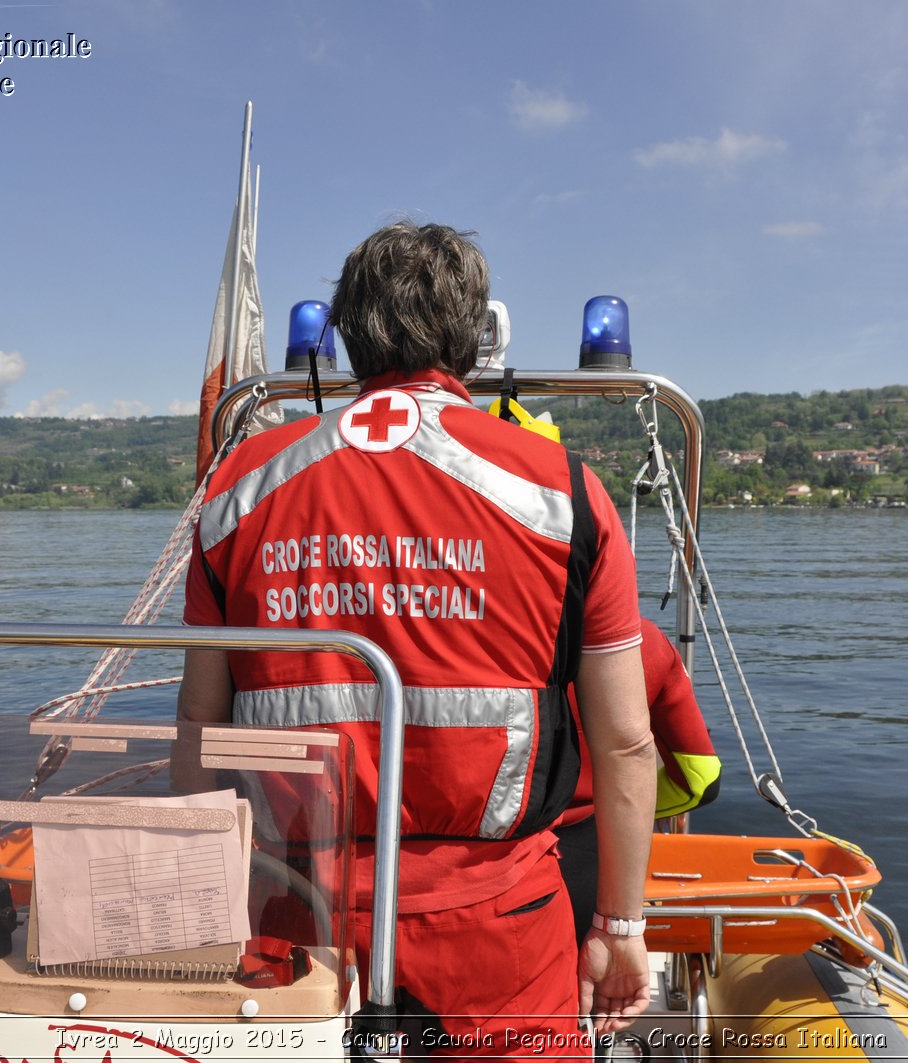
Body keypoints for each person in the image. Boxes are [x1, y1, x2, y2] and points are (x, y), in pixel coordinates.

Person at [176, 220, 656, 1056]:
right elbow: (624, 743)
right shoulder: (566, 493)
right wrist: (620, 924)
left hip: (292, 918)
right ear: (472, 340)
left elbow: (198, 730)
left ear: (349, 339)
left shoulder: (236, 491)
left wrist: (200, 906)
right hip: (498, 935)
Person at [555, 616, 723, 942]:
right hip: (590, 857)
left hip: (479, 859)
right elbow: (701, 779)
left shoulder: (487, 629)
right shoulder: (643, 640)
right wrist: (625, 810)